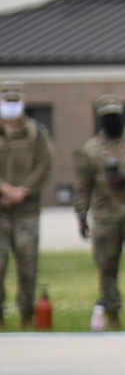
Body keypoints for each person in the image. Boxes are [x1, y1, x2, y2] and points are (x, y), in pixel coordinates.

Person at [73, 95, 125, 331]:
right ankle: (113, 315)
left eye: (115, 116)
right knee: (106, 270)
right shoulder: (90, 150)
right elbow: (82, 186)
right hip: (105, 217)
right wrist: (81, 216)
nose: (112, 121)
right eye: (107, 117)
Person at [0, 80, 53, 328]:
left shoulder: (36, 132)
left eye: (14, 101)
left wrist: (22, 191)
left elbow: (44, 164)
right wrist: (6, 190)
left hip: (26, 211)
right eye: (6, 101)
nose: (11, 106)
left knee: (27, 267)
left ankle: (27, 316)